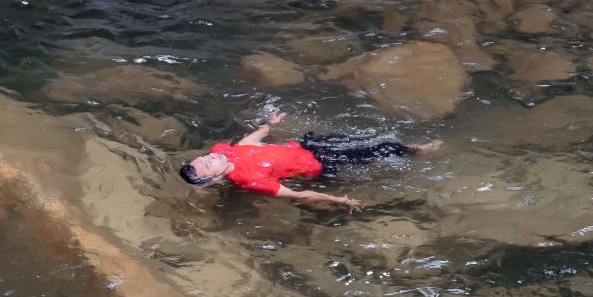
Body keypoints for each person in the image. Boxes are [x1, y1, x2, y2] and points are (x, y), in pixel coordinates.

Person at [179, 111, 440, 211]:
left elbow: (251, 141)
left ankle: (410, 148)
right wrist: (339, 200)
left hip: (309, 145)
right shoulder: (251, 181)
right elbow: (299, 195)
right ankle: (417, 150)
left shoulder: (223, 151)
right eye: (209, 162)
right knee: (382, 149)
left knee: (358, 138)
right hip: (322, 163)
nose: (211, 156)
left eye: (205, 156)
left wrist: (267, 125)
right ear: (214, 178)